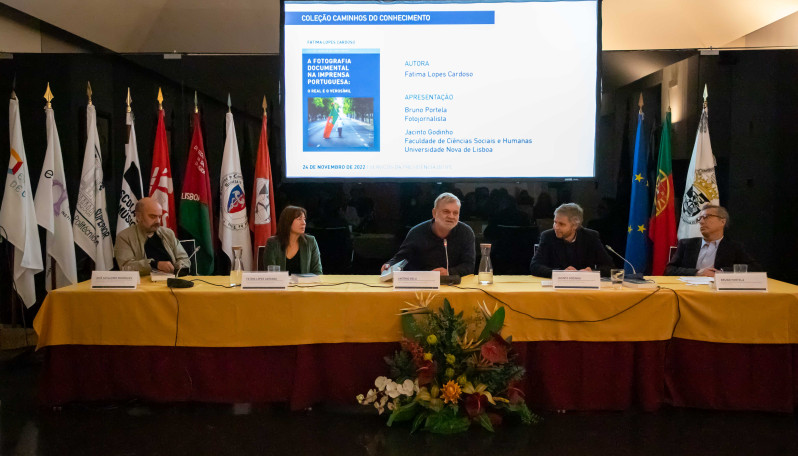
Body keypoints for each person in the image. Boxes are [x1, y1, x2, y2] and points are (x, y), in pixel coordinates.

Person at [383, 192, 475, 276]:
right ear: (434, 213)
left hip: (454, 284)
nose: (451, 216)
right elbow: (402, 258)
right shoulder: (417, 232)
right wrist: (389, 265)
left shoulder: (466, 232)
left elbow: (469, 265)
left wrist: (449, 272)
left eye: (455, 213)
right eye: (446, 211)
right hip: (421, 284)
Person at [665, 204, 760, 276]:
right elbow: (669, 270)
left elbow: (754, 268)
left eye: (706, 217)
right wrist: (697, 272)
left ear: (722, 222)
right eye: (699, 218)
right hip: (688, 291)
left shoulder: (734, 247)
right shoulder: (686, 244)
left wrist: (722, 272)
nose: (701, 222)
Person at [529, 202, 614, 278]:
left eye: (561, 224)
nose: (556, 227)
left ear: (575, 226)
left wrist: (592, 272)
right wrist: (561, 273)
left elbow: (610, 267)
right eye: (555, 222)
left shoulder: (590, 237)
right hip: (555, 288)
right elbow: (535, 266)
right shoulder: (547, 236)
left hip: (584, 287)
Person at [115, 197, 190, 275]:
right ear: (139, 217)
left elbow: (184, 258)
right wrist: (155, 265)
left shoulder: (168, 233)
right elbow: (126, 267)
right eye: (152, 216)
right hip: (144, 285)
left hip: (171, 282)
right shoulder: (124, 237)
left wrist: (179, 267)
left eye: (159, 217)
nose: (158, 221)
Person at [262, 205, 323, 275]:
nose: (304, 223)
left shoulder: (310, 241)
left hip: (304, 285)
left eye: (304, 219)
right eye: (299, 219)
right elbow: (271, 274)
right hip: (281, 285)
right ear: (288, 222)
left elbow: (317, 272)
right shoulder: (272, 243)